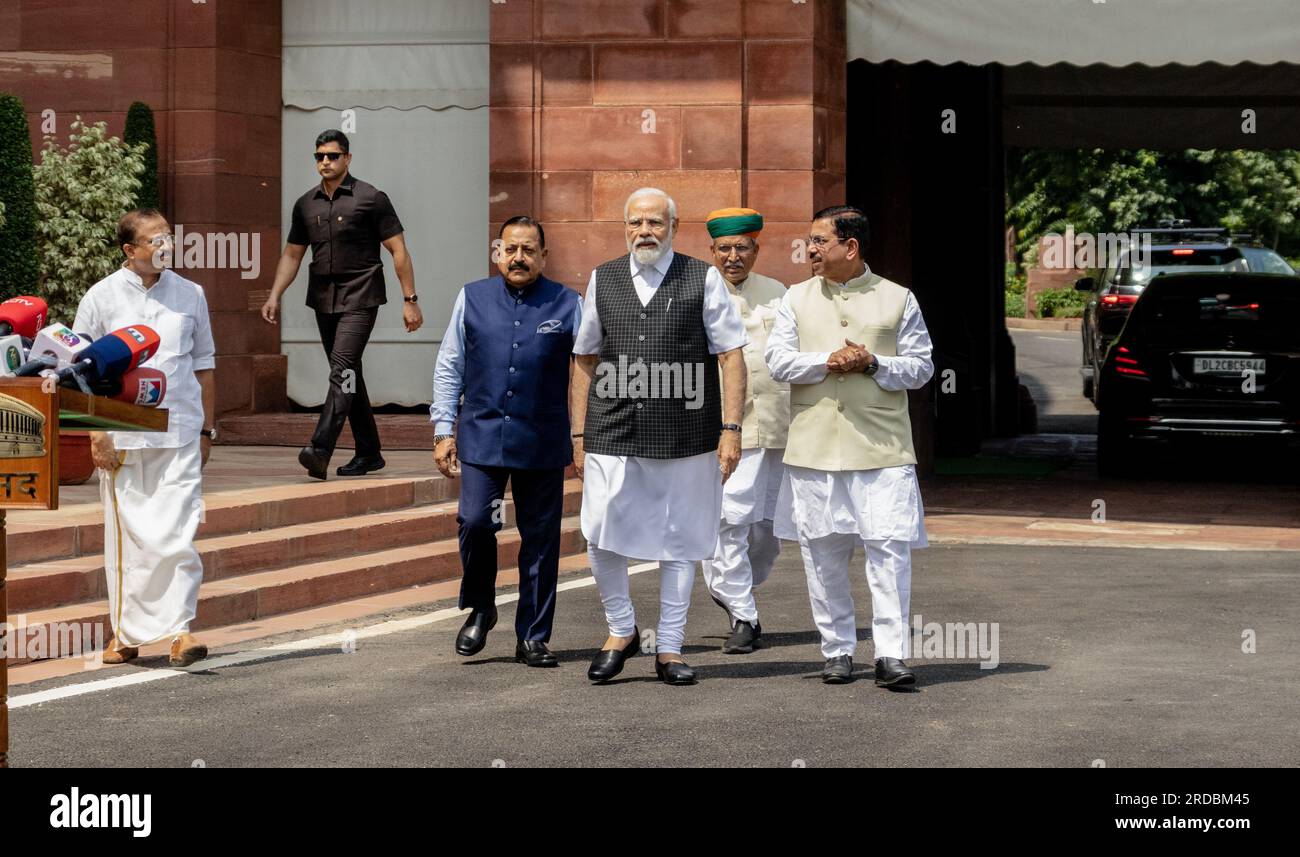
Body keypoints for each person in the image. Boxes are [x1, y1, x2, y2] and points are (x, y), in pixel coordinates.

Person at [570, 188, 747, 686]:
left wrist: (730, 429)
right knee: (600, 529)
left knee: (679, 539)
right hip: (611, 427)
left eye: (654, 222)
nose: (644, 230)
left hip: (686, 432)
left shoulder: (703, 276)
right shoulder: (603, 277)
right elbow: (584, 359)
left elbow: (731, 355)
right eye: (635, 222)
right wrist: (578, 434)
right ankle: (620, 629)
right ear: (624, 227)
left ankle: (669, 646)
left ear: (674, 225)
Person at [765, 206, 935, 687]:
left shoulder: (898, 298)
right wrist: (829, 361)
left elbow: (921, 368)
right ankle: (837, 650)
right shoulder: (794, 299)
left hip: (881, 449)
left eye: (819, 241)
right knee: (823, 555)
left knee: (888, 552)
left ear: (850, 247)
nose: (810, 250)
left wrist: (874, 362)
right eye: (810, 241)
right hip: (814, 448)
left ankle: (891, 655)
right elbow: (777, 362)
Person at [431, 216, 582, 667]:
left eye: (528, 250)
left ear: (543, 256)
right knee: (476, 521)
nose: (518, 258)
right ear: (498, 253)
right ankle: (482, 605)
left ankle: (533, 635)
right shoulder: (472, 297)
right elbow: (449, 364)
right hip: (481, 434)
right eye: (510, 249)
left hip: (542, 437)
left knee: (540, 539)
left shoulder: (569, 303)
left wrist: (583, 434)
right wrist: (443, 429)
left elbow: (591, 368)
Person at [76, 208, 217, 668]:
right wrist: (97, 435)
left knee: (178, 534)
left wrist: (206, 428)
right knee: (131, 537)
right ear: (129, 250)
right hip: (123, 436)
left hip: (179, 432)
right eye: (155, 240)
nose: (165, 247)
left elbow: (204, 365)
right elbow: (80, 374)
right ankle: (125, 632)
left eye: (169, 238)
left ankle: (179, 631)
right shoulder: (100, 297)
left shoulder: (191, 294)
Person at [261, 129, 423, 480]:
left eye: (332, 156)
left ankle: (320, 449)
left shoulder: (371, 198)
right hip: (323, 299)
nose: (325, 162)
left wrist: (410, 299)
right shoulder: (306, 204)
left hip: (361, 296)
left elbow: (398, 250)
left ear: (347, 158)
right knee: (351, 374)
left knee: (342, 369)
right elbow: (292, 254)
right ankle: (369, 452)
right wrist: (275, 294)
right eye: (319, 156)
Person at [698, 208, 789, 655]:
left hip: (779, 429)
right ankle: (743, 613)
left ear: (756, 249)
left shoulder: (779, 292)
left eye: (742, 248)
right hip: (728, 430)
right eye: (725, 249)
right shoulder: (697, 292)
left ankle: (734, 590)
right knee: (729, 522)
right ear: (712, 251)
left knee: (768, 530)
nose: (733, 256)